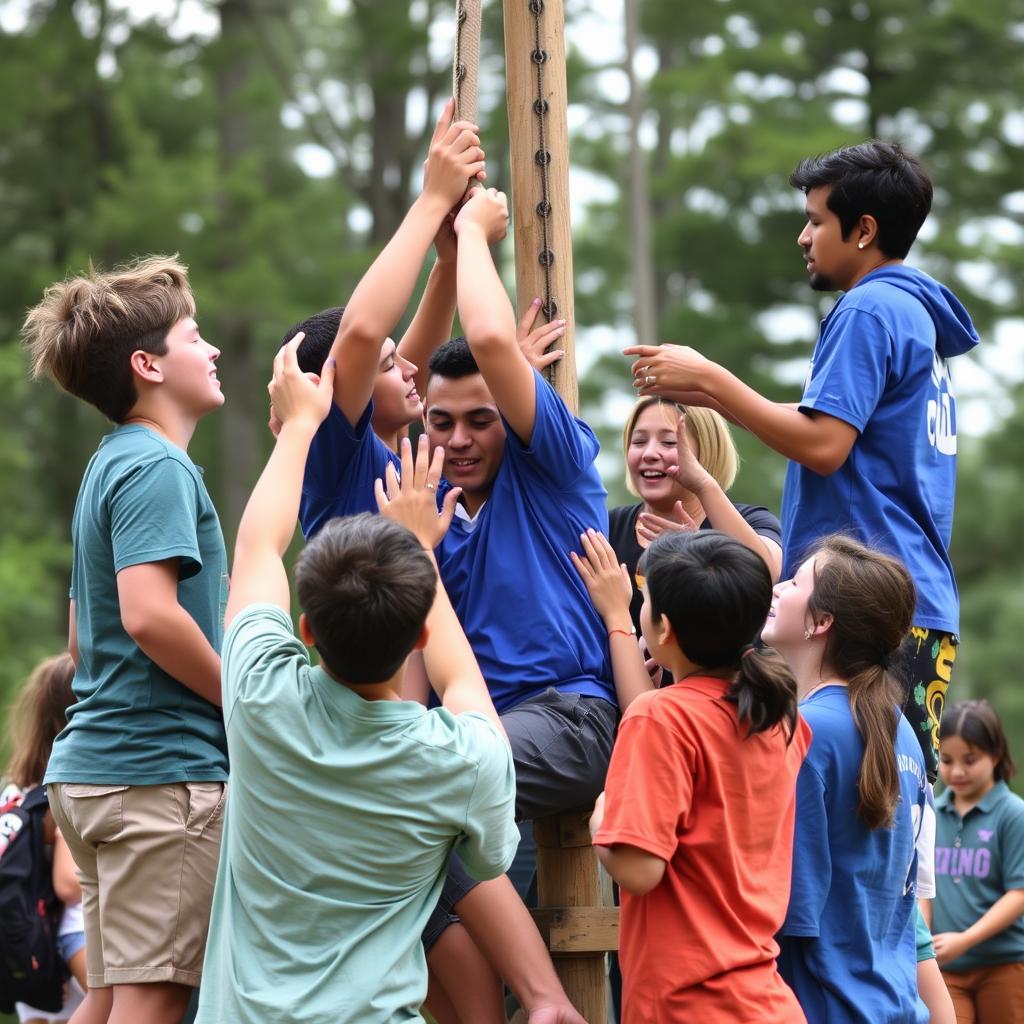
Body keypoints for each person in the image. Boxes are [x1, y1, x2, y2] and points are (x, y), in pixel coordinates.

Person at [625, 140, 979, 779]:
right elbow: (830, 426)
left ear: (863, 230)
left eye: (816, 220)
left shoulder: (868, 308)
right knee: (893, 803)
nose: (803, 237)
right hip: (910, 602)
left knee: (857, 803)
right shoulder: (911, 312)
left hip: (862, 604)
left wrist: (710, 376)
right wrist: (713, 395)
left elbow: (822, 445)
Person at [195, 338, 521, 1024]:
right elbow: (463, 683)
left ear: (306, 630)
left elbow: (258, 549)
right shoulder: (460, 759)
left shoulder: (259, 696)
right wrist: (421, 549)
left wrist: (300, 427)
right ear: (420, 638)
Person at [23, 255, 228, 1024]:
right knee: (154, 999)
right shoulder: (157, 467)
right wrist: (240, 699)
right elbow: (147, 615)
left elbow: (83, 638)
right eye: (194, 336)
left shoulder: (109, 465)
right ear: (148, 365)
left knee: (109, 999)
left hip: (95, 776)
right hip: (155, 777)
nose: (212, 349)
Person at [583, 529, 810, 1022]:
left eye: (646, 601)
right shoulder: (780, 719)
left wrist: (602, 818)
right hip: (764, 1001)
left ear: (663, 628)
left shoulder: (659, 717)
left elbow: (639, 870)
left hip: (688, 1005)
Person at [763, 534, 931, 1023]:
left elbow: (786, 911)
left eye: (795, 582)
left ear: (820, 622)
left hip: (820, 1004)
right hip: (893, 1003)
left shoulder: (808, 731)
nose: (777, 588)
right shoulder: (900, 730)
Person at [608, 397, 782, 639]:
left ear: (707, 451)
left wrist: (699, 550)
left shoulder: (753, 520)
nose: (649, 453)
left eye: (669, 442)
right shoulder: (606, 527)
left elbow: (763, 575)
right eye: (638, 442)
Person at [4, 653, 86, 1024]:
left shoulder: (17, 792)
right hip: (68, 943)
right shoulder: (67, 789)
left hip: (29, 946)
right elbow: (67, 884)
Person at [931, 700, 1024, 1023]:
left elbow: (1019, 894)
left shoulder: (1013, 814)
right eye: (946, 760)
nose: (956, 771)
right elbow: (924, 888)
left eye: (970, 760)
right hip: (946, 967)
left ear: (995, 755)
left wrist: (966, 940)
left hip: (1003, 965)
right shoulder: (931, 814)